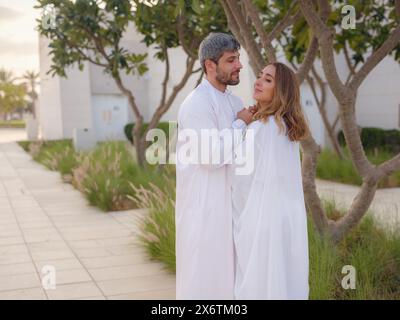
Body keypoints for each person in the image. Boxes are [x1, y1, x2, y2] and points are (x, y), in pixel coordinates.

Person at [175, 33, 254, 299]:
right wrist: (241, 124)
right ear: (210, 65)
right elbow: (210, 157)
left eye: (238, 59)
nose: (239, 65)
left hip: (231, 207)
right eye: (231, 60)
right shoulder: (195, 104)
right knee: (204, 281)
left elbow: (243, 156)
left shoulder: (235, 103)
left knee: (230, 282)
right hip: (204, 209)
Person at [232, 62, 310, 300]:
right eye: (259, 76)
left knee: (260, 285)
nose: (258, 81)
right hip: (288, 218)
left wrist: (239, 124)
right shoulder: (285, 126)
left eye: (268, 80)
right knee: (282, 283)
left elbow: (239, 176)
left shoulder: (261, 128)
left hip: (263, 219)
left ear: (281, 91)